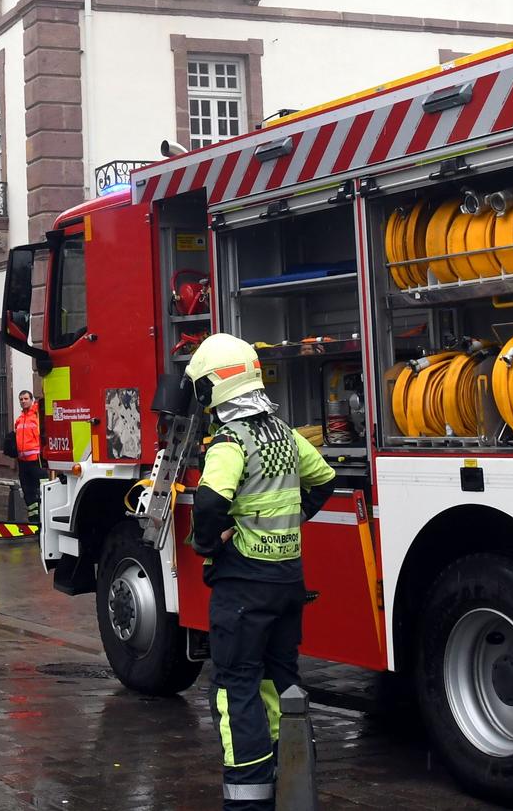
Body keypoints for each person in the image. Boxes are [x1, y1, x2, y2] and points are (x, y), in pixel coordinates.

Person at [184, 334, 337, 811]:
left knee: (236, 689)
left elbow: (209, 502)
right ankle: (292, 784)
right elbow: (324, 481)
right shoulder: (284, 435)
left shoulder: (231, 441)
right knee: (280, 683)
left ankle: (248, 802)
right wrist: (290, 521)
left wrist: (211, 542)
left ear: (214, 387)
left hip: (244, 589)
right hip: (287, 582)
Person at [12, 390, 44, 521]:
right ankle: (34, 519)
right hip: (23, 462)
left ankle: (43, 516)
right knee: (27, 491)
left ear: (32, 400)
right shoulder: (19, 420)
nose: (23, 401)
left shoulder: (37, 416)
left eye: (26, 398)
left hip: (37, 461)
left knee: (42, 490)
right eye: (21, 399)